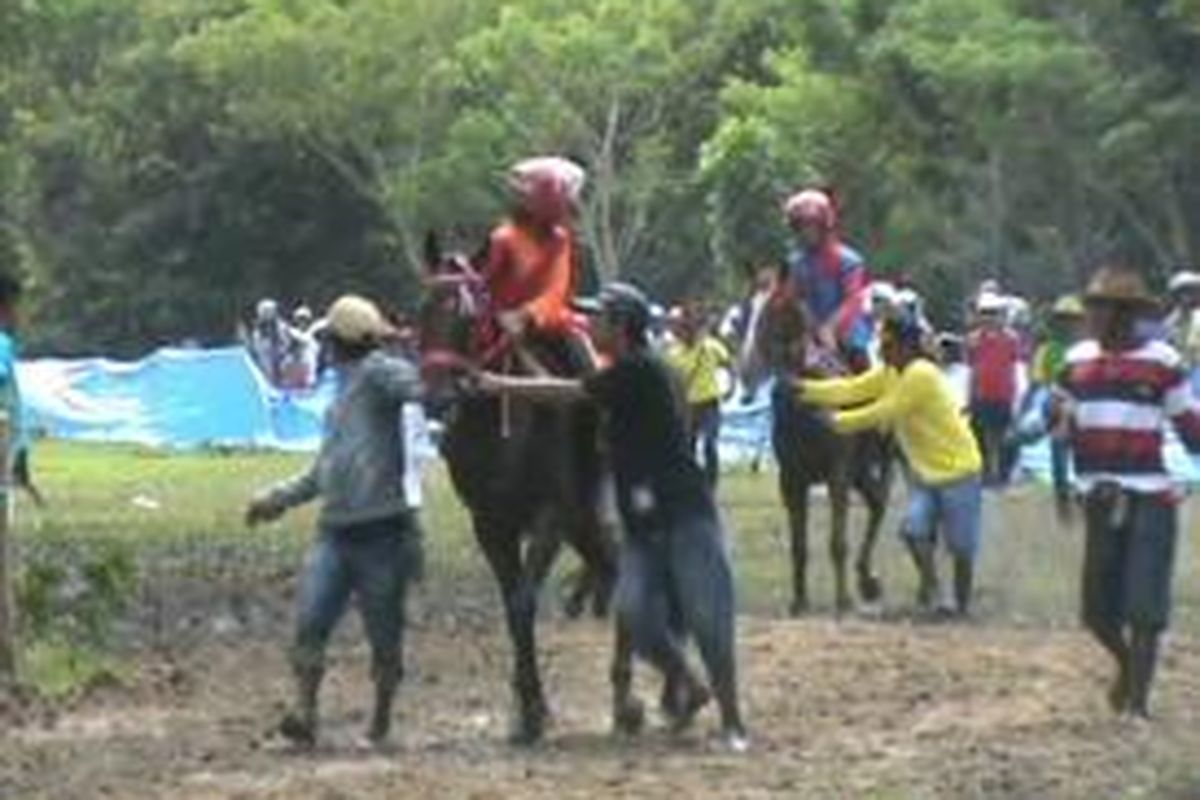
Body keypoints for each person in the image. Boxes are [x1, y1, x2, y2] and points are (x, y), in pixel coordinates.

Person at [477, 282, 749, 752]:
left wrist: (500, 382)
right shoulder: (627, 371)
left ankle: (732, 723)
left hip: (685, 517)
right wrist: (520, 352)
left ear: (621, 326)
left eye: (598, 318)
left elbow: (565, 393)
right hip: (644, 526)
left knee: (708, 619)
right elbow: (566, 392)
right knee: (635, 613)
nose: (589, 325)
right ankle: (689, 682)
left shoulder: (639, 371)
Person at [245, 294, 424, 748]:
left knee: (382, 634)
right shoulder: (342, 390)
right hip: (338, 529)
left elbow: (417, 385)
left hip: (382, 532)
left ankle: (380, 720)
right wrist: (278, 499)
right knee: (311, 621)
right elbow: (325, 471)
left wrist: (432, 376)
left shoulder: (377, 373)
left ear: (341, 342)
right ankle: (306, 714)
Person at [1054, 267, 1200, 719]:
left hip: (1150, 495)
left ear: (1125, 314)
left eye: (1101, 308)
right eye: (1091, 307)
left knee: (1144, 604)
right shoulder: (1075, 361)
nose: (1092, 316)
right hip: (1099, 496)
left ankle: (1137, 703)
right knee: (1096, 611)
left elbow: (1189, 426)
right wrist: (1062, 477)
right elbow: (1059, 422)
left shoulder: (1162, 362)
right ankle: (1125, 667)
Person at [796, 315, 984, 616]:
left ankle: (960, 607)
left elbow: (886, 410)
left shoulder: (921, 374)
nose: (881, 349)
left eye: (887, 343)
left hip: (960, 472)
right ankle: (936, 592)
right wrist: (804, 389)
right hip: (926, 474)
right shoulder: (889, 372)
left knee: (961, 549)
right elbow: (850, 389)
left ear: (906, 346)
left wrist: (837, 422)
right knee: (912, 531)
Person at [482, 156, 591, 374]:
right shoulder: (502, 238)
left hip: (548, 323)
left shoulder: (560, 240)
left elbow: (557, 289)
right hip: (499, 324)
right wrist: (498, 314)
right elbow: (485, 283)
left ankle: (597, 400)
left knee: (582, 352)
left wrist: (527, 315)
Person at [781, 188, 870, 368]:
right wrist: (810, 324)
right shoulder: (795, 263)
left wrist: (830, 328)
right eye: (800, 226)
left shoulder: (848, 260)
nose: (806, 232)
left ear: (824, 225)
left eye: (811, 225)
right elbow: (795, 298)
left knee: (857, 353)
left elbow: (853, 300)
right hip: (810, 329)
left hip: (846, 329)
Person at [666, 302, 733, 487]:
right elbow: (673, 382)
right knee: (689, 446)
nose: (687, 333)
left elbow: (727, 363)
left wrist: (730, 387)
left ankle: (711, 483)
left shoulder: (710, 347)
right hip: (689, 407)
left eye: (690, 329)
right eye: (683, 329)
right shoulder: (674, 354)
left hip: (710, 402)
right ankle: (690, 482)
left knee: (710, 444)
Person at [967, 292, 1021, 485]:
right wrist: (970, 395)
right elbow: (971, 368)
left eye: (992, 313)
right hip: (981, 394)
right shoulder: (973, 339)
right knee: (979, 436)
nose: (988, 318)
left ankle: (1004, 474)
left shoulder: (1011, 339)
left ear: (1001, 315)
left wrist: (1017, 397)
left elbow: (1016, 368)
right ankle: (986, 473)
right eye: (985, 313)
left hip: (1004, 394)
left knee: (1006, 437)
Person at [1164, 270, 1200, 390]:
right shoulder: (1170, 321)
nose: (1189, 295)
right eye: (1184, 291)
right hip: (1179, 370)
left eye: (1193, 291)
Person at [248, 298, 293, 386]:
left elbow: (287, 344)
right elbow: (256, 347)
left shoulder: (282, 327)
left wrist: (280, 353)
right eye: (265, 312)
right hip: (265, 362)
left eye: (270, 311)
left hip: (281, 361)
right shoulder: (258, 330)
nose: (268, 314)